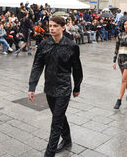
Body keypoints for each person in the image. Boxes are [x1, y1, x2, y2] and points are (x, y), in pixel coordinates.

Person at [28, 16, 83, 157]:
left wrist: (77, 87)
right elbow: (37, 66)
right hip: (49, 87)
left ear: (63, 27)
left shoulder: (72, 46)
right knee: (58, 115)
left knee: (55, 122)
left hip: (64, 88)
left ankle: (49, 153)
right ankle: (67, 139)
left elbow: (77, 68)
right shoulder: (44, 45)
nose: (51, 28)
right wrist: (32, 86)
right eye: (50, 26)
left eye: (55, 26)